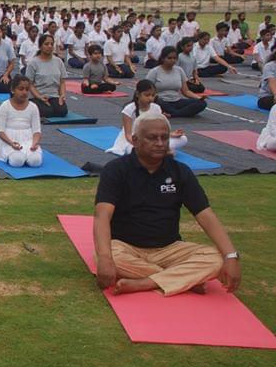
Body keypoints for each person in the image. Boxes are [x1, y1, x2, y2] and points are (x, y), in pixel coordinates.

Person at [93, 114, 240, 296]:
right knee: (107, 256)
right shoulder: (116, 170)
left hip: (170, 248)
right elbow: (102, 216)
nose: (160, 143)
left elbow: (205, 215)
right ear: (135, 140)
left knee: (216, 259)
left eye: (164, 138)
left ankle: (145, 283)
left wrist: (231, 256)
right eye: (152, 138)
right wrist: (105, 257)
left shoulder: (180, 171)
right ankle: (182, 279)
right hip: (126, 247)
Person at [107, 80, 188, 156]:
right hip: (133, 140)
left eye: (153, 95)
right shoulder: (129, 109)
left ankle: (156, 150)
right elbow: (128, 135)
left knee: (183, 139)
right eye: (147, 95)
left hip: (153, 138)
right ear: (138, 94)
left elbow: (158, 130)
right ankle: (159, 150)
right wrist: (143, 144)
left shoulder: (156, 108)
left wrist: (170, 134)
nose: (150, 98)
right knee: (132, 150)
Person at [0, 75, 43, 168]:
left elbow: (37, 131)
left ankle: (28, 155)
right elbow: (0, 132)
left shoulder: (33, 107)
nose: (24, 92)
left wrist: (34, 143)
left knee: (36, 161)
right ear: (13, 90)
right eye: (21, 89)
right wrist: (11, 143)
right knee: (17, 161)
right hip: (9, 139)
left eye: (27, 89)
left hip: (28, 139)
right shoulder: (5, 106)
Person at [145, 47, 207, 118]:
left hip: (176, 101)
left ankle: (173, 114)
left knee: (202, 103)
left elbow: (186, 91)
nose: (172, 60)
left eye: (175, 58)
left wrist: (199, 98)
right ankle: (179, 113)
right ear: (162, 58)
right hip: (161, 101)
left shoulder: (179, 70)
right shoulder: (154, 71)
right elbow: (146, 91)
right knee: (159, 102)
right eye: (169, 58)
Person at [25, 33, 68, 118]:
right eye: (46, 44)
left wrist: (62, 95)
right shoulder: (33, 63)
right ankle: (31, 104)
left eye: (52, 44)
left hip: (54, 96)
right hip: (39, 96)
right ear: (40, 46)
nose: (50, 46)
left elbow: (62, 82)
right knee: (47, 112)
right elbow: (30, 84)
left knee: (62, 111)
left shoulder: (58, 61)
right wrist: (39, 97)